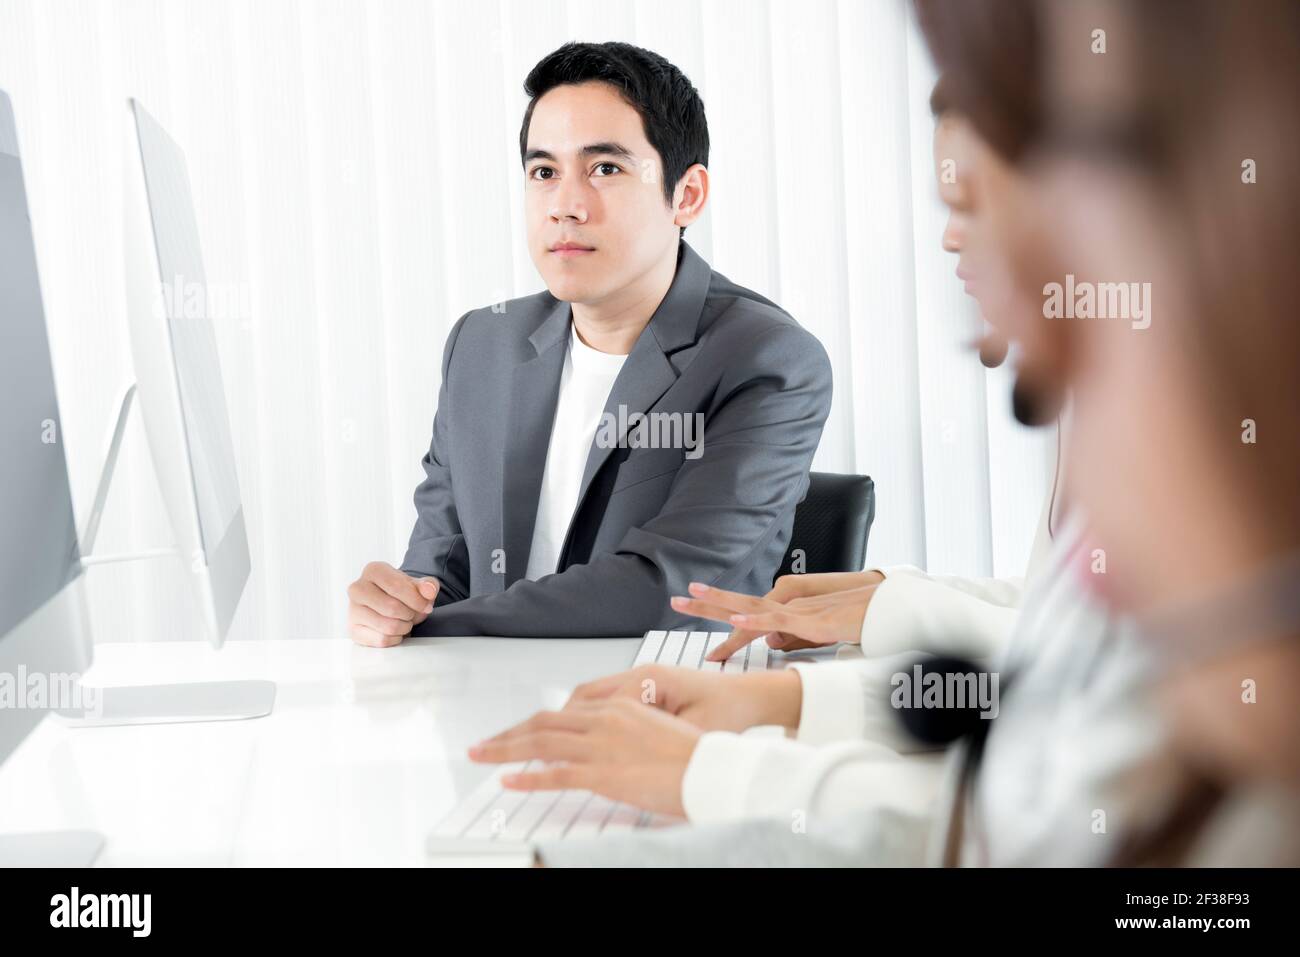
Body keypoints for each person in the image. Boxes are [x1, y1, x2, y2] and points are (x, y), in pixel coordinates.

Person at [345, 42, 831, 645]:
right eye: (543, 172)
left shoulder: (767, 359)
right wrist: (397, 605)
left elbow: (665, 591)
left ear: (687, 196)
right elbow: (441, 569)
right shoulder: (482, 345)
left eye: (605, 169)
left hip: (656, 711)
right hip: (482, 705)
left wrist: (439, 628)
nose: (565, 207)